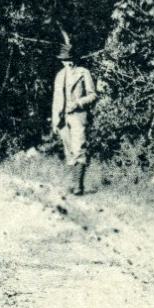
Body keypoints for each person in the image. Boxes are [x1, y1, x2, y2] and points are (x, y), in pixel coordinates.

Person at [51, 38, 97, 196]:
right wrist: (55, 121)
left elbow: (93, 95)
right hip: (62, 118)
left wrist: (78, 103)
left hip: (78, 116)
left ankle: (78, 186)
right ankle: (73, 183)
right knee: (69, 151)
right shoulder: (59, 75)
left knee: (79, 149)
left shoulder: (84, 73)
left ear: (75, 59)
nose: (68, 63)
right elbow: (56, 100)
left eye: (70, 60)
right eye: (65, 60)